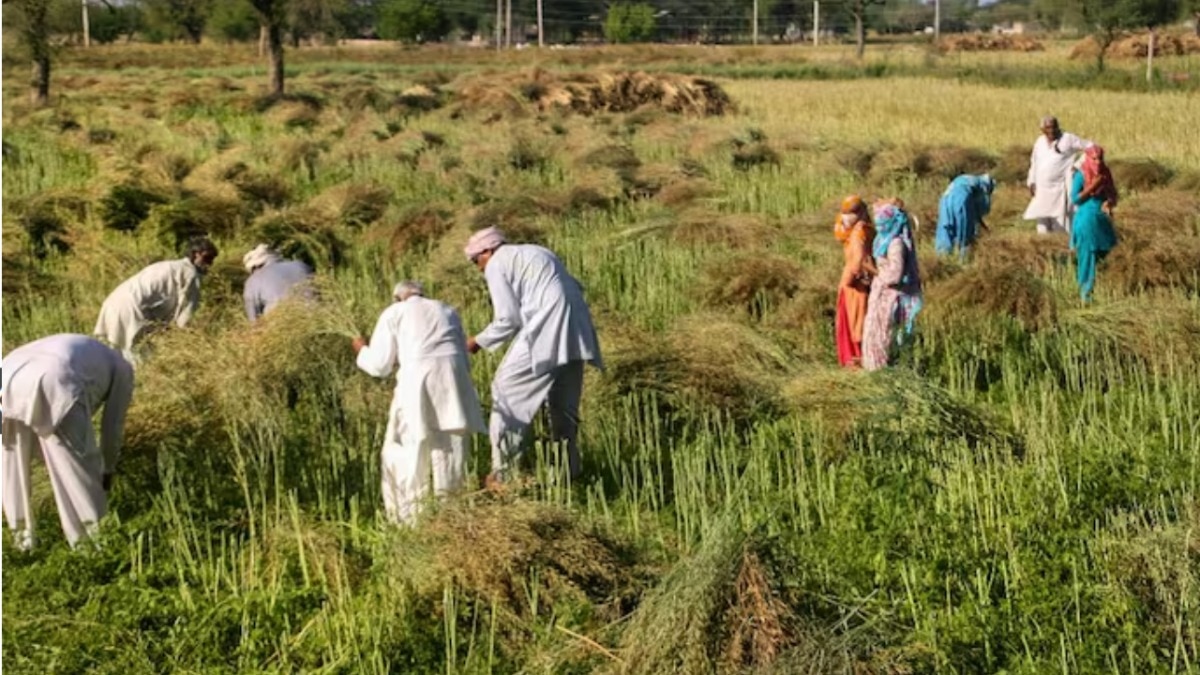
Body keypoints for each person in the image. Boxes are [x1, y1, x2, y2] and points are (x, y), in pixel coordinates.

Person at [463, 227, 602, 484]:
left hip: (548, 326)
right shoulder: (537, 251)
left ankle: (502, 474)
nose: (478, 268)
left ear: (487, 251)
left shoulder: (496, 264)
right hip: (578, 328)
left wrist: (475, 342)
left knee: (506, 389)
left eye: (476, 261)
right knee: (562, 407)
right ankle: (568, 473)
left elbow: (509, 319)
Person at [352, 281, 486, 525]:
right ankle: (451, 519)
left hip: (417, 388)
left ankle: (409, 522)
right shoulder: (447, 310)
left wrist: (361, 349)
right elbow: (462, 358)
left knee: (406, 453)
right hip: (454, 386)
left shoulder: (394, 313)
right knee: (450, 452)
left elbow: (380, 366)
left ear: (398, 298)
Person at [2, 334, 134, 550]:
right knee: (78, 467)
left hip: (7, 372)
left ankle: (22, 541)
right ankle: (91, 544)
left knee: (11, 465)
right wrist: (108, 468)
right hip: (53, 379)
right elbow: (113, 425)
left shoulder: (93, 350)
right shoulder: (123, 369)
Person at [94, 236, 218, 364]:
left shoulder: (168, 265)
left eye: (212, 260)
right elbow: (185, 317)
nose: (209, 264)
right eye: (207, 258)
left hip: (113, 303)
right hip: (134, 309)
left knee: (117, 359)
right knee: (142, 361)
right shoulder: (190, 274)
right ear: (195, 255)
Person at [862, 200, 924, 371]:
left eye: (882, 223)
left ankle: (885, 370)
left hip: (891, 299)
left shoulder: (896, 244)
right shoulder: (883, 240)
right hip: (881, 294)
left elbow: (895, 275)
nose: (879, 226)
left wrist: (873, 270)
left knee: (885, 335)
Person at [1023, 116, 1093, 235]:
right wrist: (1031, 181)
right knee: (1042, 228)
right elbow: (1034, 162)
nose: (1052, 130)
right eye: (1048, 128)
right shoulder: (1040, 142)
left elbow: (1092, 147)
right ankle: (1043, 250)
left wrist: (1077, 166)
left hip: (1060, 190)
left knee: (1060, 227)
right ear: (1043, 130)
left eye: (1054, 127)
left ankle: (1062, 250)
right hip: (1041, 190)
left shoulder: (1068, 138)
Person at [1070, 146, 1119, 302]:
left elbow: (1113, 194)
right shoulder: (1081, 174)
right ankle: (1086, 293)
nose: (1098, 162)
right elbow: (1076, 199)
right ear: (1087, 159)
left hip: (1102, 218)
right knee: (1088, 254)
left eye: (1100, 159)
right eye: (1094, 159)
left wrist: (1109, 202)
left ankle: (1106, 288)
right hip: (1086, 218)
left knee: (1108, 252)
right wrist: (1093, 185)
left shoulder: (1106, 173)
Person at [834, 195, 877, 368]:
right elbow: (858, 259)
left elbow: (857, 259)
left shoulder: (853, 231)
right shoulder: (859, 230)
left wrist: (850, 278)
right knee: (856, 319)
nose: (845, 218)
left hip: (852, 283)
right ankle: (857, 360)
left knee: (853, 320)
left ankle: (853, 361)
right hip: (856, 282)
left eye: (850, 213)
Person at [242, 244, 315, 323]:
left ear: (255, 267)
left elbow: (254, 321)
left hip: (283, 326)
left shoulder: (252, 281)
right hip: (320, 319)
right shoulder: (301, 265)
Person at [936, 174, 996, 260]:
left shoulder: (968, 179)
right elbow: (982, 208)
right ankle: (963, 262)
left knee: (946, 230)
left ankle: (942, 260)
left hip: (945, 200)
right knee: (965, 235)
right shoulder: (985, 185)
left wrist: (983, 225)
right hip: (961, 198)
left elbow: (975, 213)